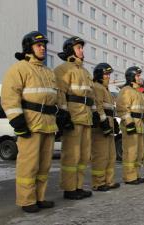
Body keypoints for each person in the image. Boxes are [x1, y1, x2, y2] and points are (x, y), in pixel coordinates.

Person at [1, 31, 60, 213]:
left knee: (44, 165)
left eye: (44, 45)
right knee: (29, 165)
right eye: (38, 45)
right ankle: (27, 200)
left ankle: (39, 198)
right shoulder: (19, 68)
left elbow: (54, 98)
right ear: (29, 47)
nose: (43, 48)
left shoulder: (48, 72)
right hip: (30, 123)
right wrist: (18, 122)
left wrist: (61, 118)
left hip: (48, 124)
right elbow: (9, 97)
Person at [54, 36, 94, 200]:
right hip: (73, 117)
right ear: (70, 50)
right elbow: (60, 93)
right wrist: (63, 114)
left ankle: (78, 187)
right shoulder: (62, 69)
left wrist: (95, 114)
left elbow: (90, 96)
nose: (82, 50)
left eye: (82, 48)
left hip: (85, 117)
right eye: (79, 48)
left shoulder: (85, 72)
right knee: (72, 155)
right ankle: (69, 189)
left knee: (84, 155)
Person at [90, 63, 120, 191]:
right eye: (106, 74)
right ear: (99, 75)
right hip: (101, 126)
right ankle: (99, 182)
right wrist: (103, 123)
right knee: (100, 155)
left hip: (108, 123)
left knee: (110, 155)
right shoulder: (97, 87)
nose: (108, 76)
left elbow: (109, 109)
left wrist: (114, 121)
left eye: (109, 74)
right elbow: (98, 106)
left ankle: (109, 181)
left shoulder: (106, 89)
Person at [116, 66, 144, 185]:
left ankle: (136, 175)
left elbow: (141, 111)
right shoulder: (126, 90)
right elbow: (122, 108)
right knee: (130, 153)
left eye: (140, 75)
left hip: (139, 126)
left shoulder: (137, 92)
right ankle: (129, 177)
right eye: (138, 75)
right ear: (131, 77)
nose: (140, 78)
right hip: (131, 126)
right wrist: (129, 123)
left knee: (139, 153)